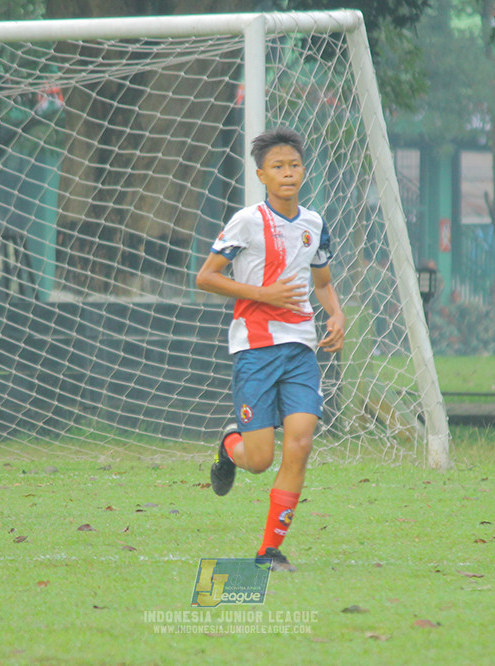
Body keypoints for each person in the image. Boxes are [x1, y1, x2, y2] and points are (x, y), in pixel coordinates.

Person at [195, 127, 346, 573]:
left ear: (304, 170)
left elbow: (323, 282)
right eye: (278, 167)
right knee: (259, 460)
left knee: (299, 442)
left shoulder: (314, 224)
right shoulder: (246, 221)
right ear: (262, 174)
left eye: (294, 165)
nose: (287, 173)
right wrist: (263, 295)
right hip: (256, 349)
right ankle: (229, 444)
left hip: (300, 347)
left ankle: (269, 552)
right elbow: (205, 277)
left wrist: (335, 315)